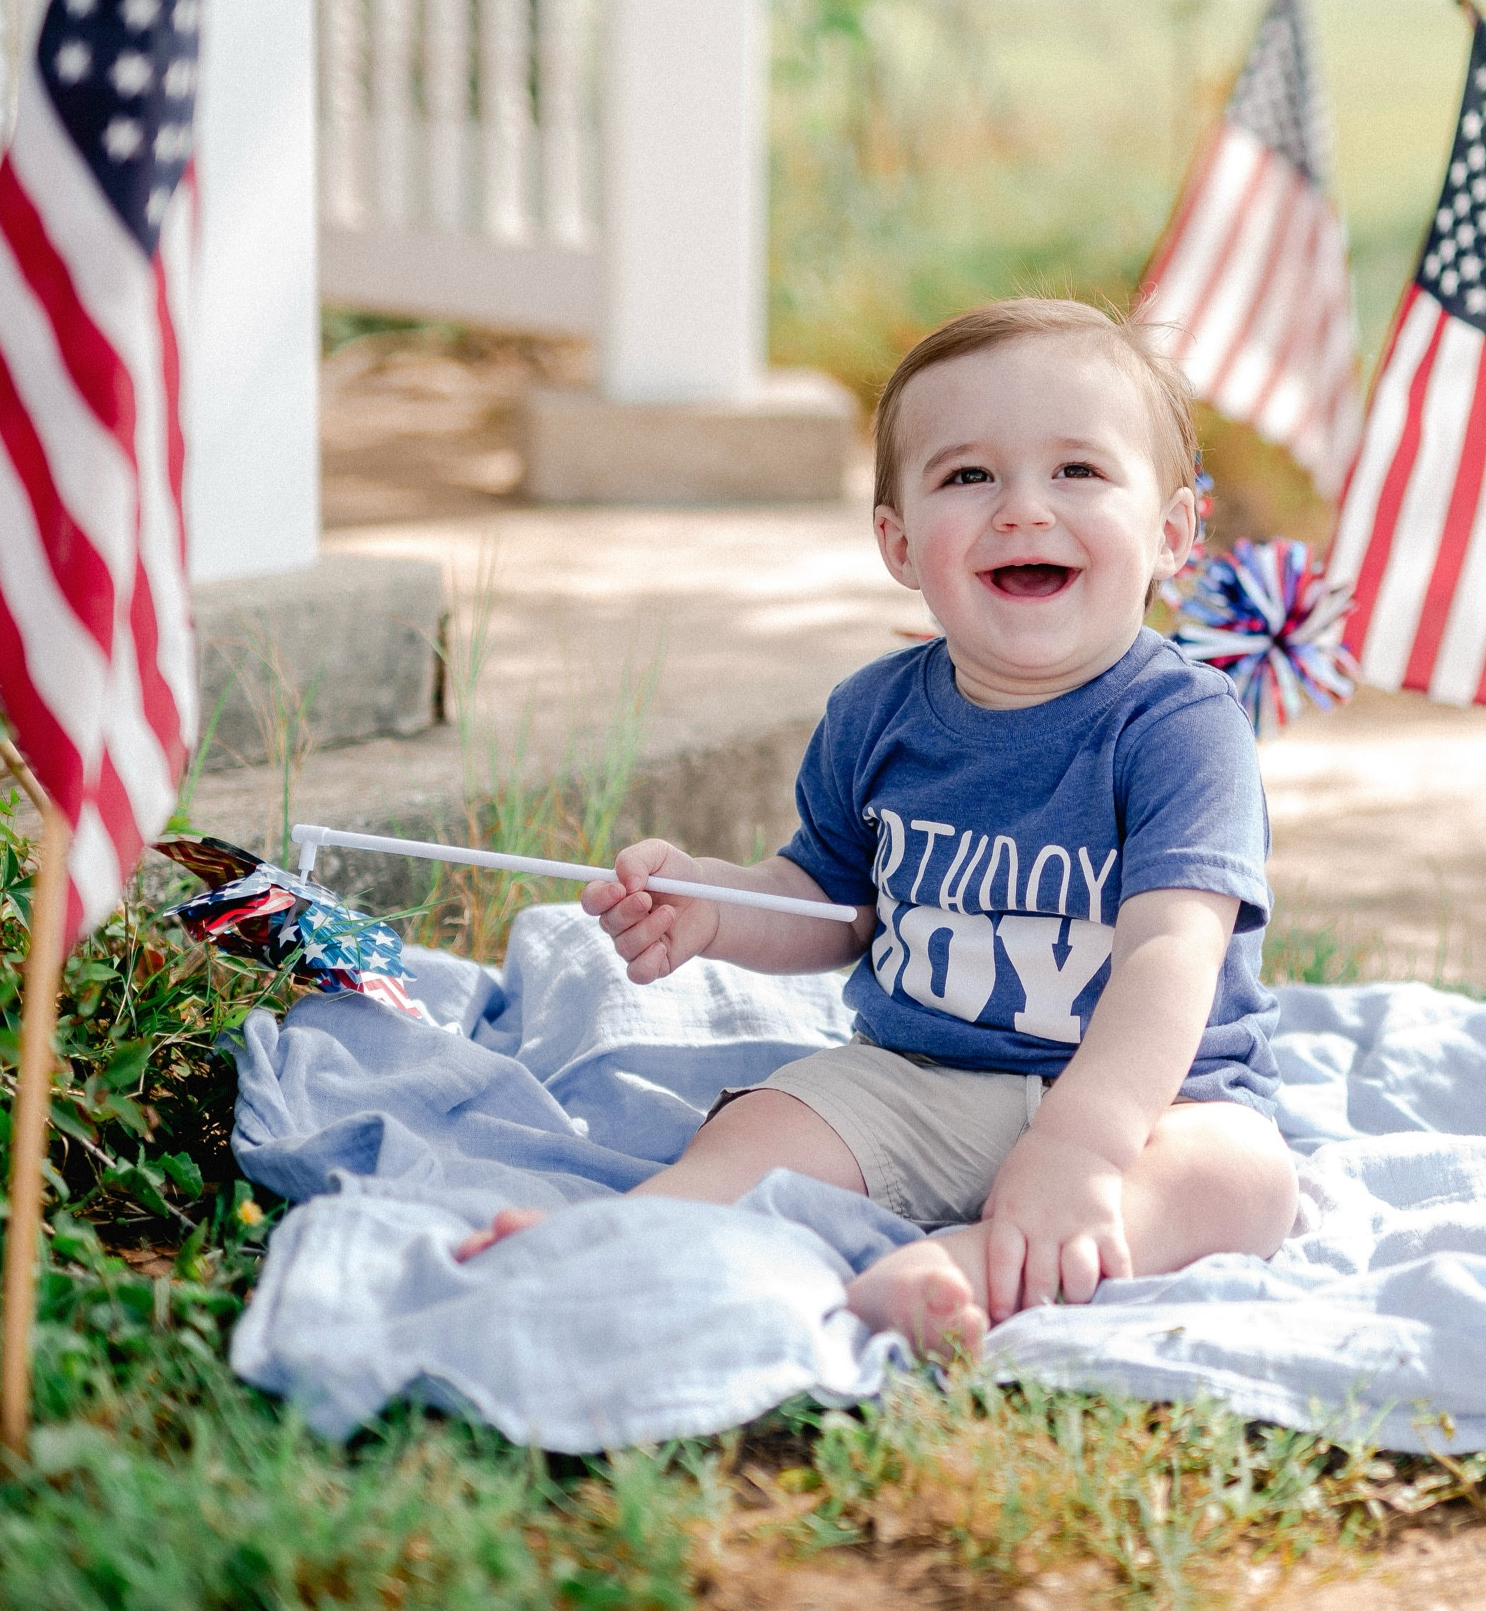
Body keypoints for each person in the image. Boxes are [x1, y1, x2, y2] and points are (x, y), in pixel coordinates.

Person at [457, 297, 1297, 1353]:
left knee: (1243, 1179)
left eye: (1076, 470)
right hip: (920, 1075)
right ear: (899, 543)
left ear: (1171, 532)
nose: (1023, 509)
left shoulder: (1180, 726)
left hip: (1150, 1101)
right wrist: (714, 903)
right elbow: (829, 901)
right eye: (967, 475)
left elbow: (1173, 953)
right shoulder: (876, 712)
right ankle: (630, 1232)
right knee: (762, 1121)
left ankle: (958, 1272)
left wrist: (1082, 1142)